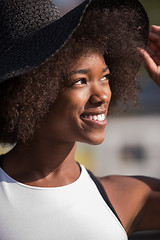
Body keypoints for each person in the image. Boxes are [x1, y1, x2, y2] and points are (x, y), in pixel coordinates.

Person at [0, 0, 159, 239]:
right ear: (30, 93)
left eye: (105, 77)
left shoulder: (125, 196)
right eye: (80, 81)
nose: (102, 95)